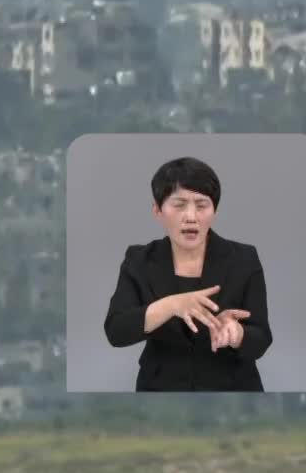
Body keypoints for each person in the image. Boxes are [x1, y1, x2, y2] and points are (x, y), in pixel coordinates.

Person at [103, 157, 271, 391]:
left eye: (201, 205)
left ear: (215, 210)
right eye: (179, 204)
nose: (191, 216)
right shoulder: (139, 260)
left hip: (233, 390)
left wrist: (237, 334)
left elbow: (262, 337)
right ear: (158, 210)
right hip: (161, 391)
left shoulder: (244, 258)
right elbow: (116, 330)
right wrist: (172, 305)